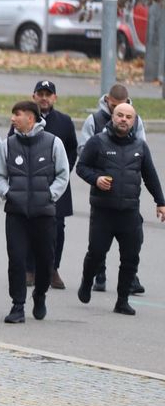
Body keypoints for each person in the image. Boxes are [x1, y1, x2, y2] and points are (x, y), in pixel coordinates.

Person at [77, 102, 165, 316]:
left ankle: (122, 300)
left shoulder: (140, 146)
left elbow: (150, 175)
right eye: (120, 115)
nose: (123, 119)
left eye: (128, 117)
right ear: (112, 117)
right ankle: (87, 281)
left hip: (129, 213)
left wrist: (160, 202)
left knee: (130, 258)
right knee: (96, 254)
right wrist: (96, 179)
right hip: (103, 212)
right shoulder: (98, 142)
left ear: (134, 121)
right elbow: (81, 167)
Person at [0, 100, 70, 324]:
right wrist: (8, 193)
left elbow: (63, 174)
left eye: (17, 114)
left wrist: (49, 195)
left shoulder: (53, 143)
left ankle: (40, 295)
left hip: (44, 214)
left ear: (31, 117)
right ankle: (18, 305)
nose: (12, 119)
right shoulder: (7, 145)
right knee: (16, 260)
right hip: (16, 214)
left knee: (45, 261)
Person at [80, 83, 148, 293]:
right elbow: (84, 155)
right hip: (103, 196)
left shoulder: (136, 121)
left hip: (128, 197)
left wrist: (160, 201)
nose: (122, 118)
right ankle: (97, 274)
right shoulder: (94, 121)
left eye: (125, 111)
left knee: (132, 247)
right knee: (98, 247)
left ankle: (129, 283)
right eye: (115, 108)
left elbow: (143, 155)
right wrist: (98, 175)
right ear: (108, 101)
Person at [23, 80, 77, 290]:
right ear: (34, 96)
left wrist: (64, 171)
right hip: (30, 185)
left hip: (57, 185)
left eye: (48, 94)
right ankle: (30, 269)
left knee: (57, 229)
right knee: (30, 227)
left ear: (54, 97)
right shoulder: (25, 118)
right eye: (40, 93)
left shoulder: (64, 121)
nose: (44, 98)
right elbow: (12, 146)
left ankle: (53, 268)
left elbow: (72, 149)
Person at [80, 83, 147, 149]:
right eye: (114, 106)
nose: (117, 109)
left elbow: (142, 148)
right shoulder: (93, 120)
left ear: (127, 101)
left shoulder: (136, 120)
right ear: (107, 99)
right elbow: (83, 149)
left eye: (121, 106)